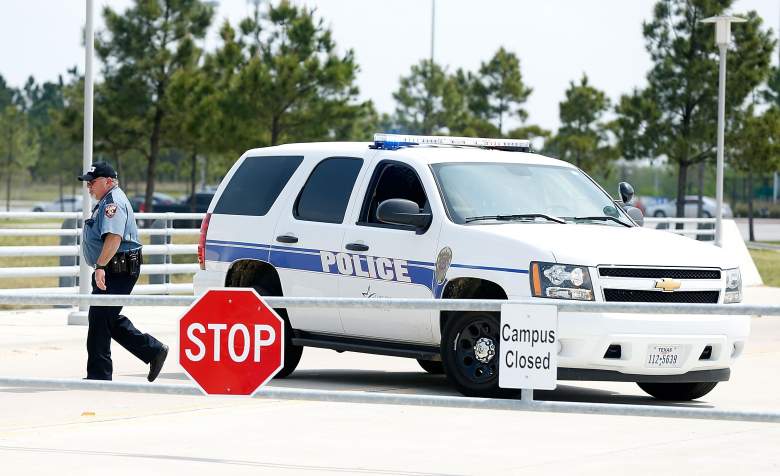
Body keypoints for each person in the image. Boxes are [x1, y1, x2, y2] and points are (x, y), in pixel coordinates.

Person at [78, 162, 168, 381]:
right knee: (103, 317)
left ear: (109, 181)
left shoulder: (112, 203)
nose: (89, 186)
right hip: (113, 267)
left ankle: (99, 377)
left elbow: (114, 238)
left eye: (93, 181)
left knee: (100, 319)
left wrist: (100, 267)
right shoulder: (106, 201)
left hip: (117, 268)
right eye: (87, 182)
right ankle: (152, 350)